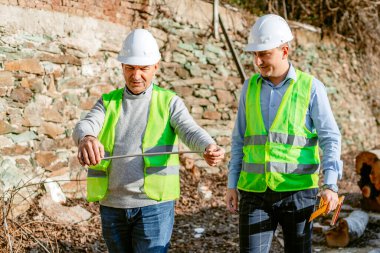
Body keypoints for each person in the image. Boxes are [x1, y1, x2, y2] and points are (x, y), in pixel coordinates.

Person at [73, 28, 225, 253]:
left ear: (156, 67)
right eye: (130, 68)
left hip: (154, 207)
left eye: (143, 68)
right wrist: (86, 138)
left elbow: (189, 130)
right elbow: (84, 126)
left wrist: (208, 146)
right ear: (122, 67)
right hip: (112, 206)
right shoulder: (108, 102)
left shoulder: (169, 102)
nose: (136, 75)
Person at [225, 14, 343, 253]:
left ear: (284, 51)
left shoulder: (311, 88)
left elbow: (330, 138)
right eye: (255, 55)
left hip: (298, 194)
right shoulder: (249, 88)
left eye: (264, 54)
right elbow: (239, 139)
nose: (258, 61)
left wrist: (330, 185)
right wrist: (231, 183)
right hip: (254, 192)